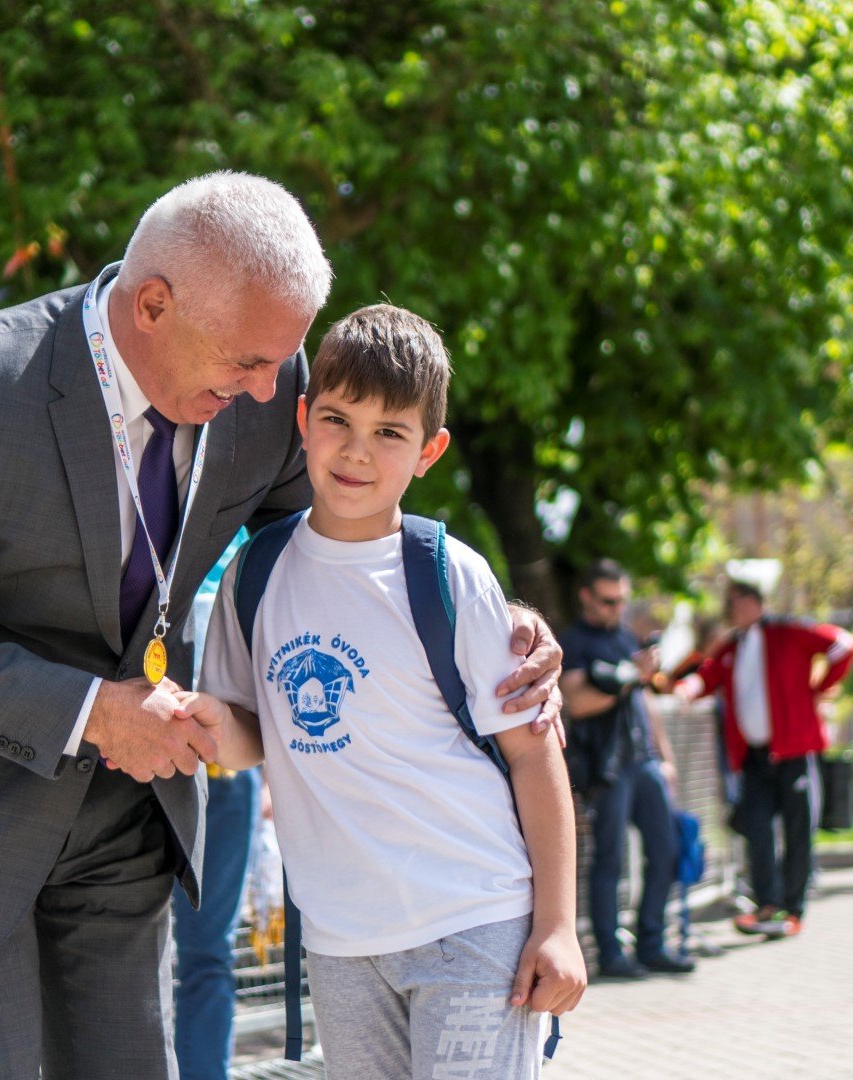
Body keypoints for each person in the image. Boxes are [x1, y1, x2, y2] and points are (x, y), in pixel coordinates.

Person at [0, 173, 562, 1079]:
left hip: (125, 830)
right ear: (153, 305)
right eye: (246, 364)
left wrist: (493, 614)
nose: (265, 393)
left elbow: (335, 546)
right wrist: (97, 713)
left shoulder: (268, 381)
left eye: (277, 364)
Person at [184, 304, 586, 1078]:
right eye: (337, 419)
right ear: (303, 419)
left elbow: (536, 758)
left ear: (429, 450)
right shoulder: (255, 572)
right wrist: (201, 727)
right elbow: (248, 733)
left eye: (389, 433)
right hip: (339, 940)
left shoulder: (449, 572)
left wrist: (557, 927)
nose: (356, 452)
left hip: (474, 922)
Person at [681, 578, 853, 939]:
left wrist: (820, 690)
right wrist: (683, 690)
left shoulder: (789, 632)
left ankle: (793, 910)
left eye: (738, 601)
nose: (732, 609)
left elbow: (843, 645)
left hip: (794, 751)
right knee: (755, 826)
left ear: (755, 602)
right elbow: (705, 678)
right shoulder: (731, 647)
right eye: (729, 603)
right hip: (755, 757)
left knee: (798, 829)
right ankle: (768, 905)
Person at [560, 560, 695, 979]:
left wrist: (665, 756)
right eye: (607, 600)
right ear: (587, 596)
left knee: (667, 851)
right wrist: (628, 680)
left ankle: (652, 943)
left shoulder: (623, 637)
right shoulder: (574, 642)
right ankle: (611, 953)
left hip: (644, 763)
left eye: (621, 600)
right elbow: (577, 702)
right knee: (610, 860)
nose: (616, 608)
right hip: (607, 768)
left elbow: (644, 700)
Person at [171, 530, 260, 1080]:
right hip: (135, 759)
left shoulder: (253, 529)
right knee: (128, 946)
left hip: (226, 778)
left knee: (209, 952)